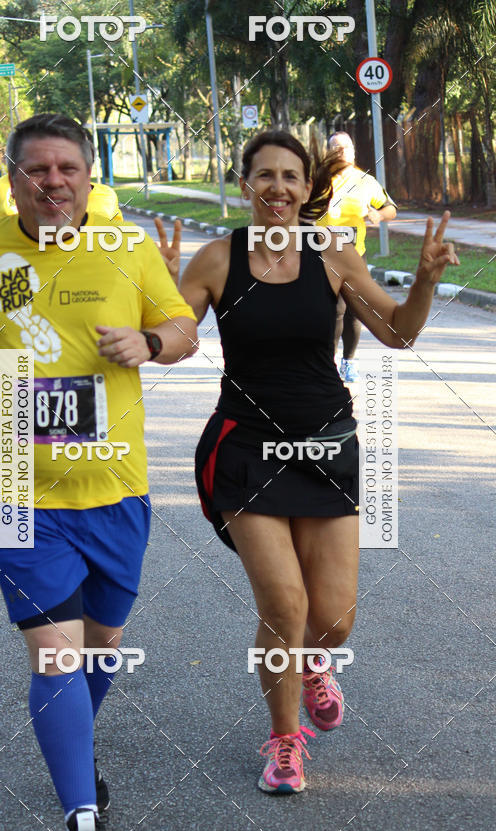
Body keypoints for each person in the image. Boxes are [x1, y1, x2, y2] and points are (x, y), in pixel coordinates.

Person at [0, 113, 197, 831]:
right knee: (53, 659)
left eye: (67, 168)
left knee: (97, 651)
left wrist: (151, 343)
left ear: (87, 175)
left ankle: (70, 737)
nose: (53, 182)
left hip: (116, 486)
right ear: (12, 180)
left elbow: (182, 327)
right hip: (13, 484)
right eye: (37, 170)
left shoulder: (128, 247)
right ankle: (82, 816)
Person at [178, 130, 458, 795]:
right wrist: (151, 307)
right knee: (283, 602)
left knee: (331, 619)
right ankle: (282, 743)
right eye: (264, 175)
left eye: (291, 177)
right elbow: (175, 338)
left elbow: (398, 332)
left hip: (328, 446)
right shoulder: (217, 259)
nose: (277, 188)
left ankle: (311, 666)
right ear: (244, 184)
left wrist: (424, 279)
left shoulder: (333, 251)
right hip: (246, 448)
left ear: (308, 189)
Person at [317, 132, 397, 382]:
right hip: (322, 256)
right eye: (335, 147)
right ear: (327, 151)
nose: (341, 152)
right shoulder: (317, 180)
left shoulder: (366, 182)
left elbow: (390, 208)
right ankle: (326, 364)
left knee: (353, 310)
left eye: (346, 147)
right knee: (333, 311)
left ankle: (348, 362)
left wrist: (379, 216)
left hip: (354, 256)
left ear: (354, 151)